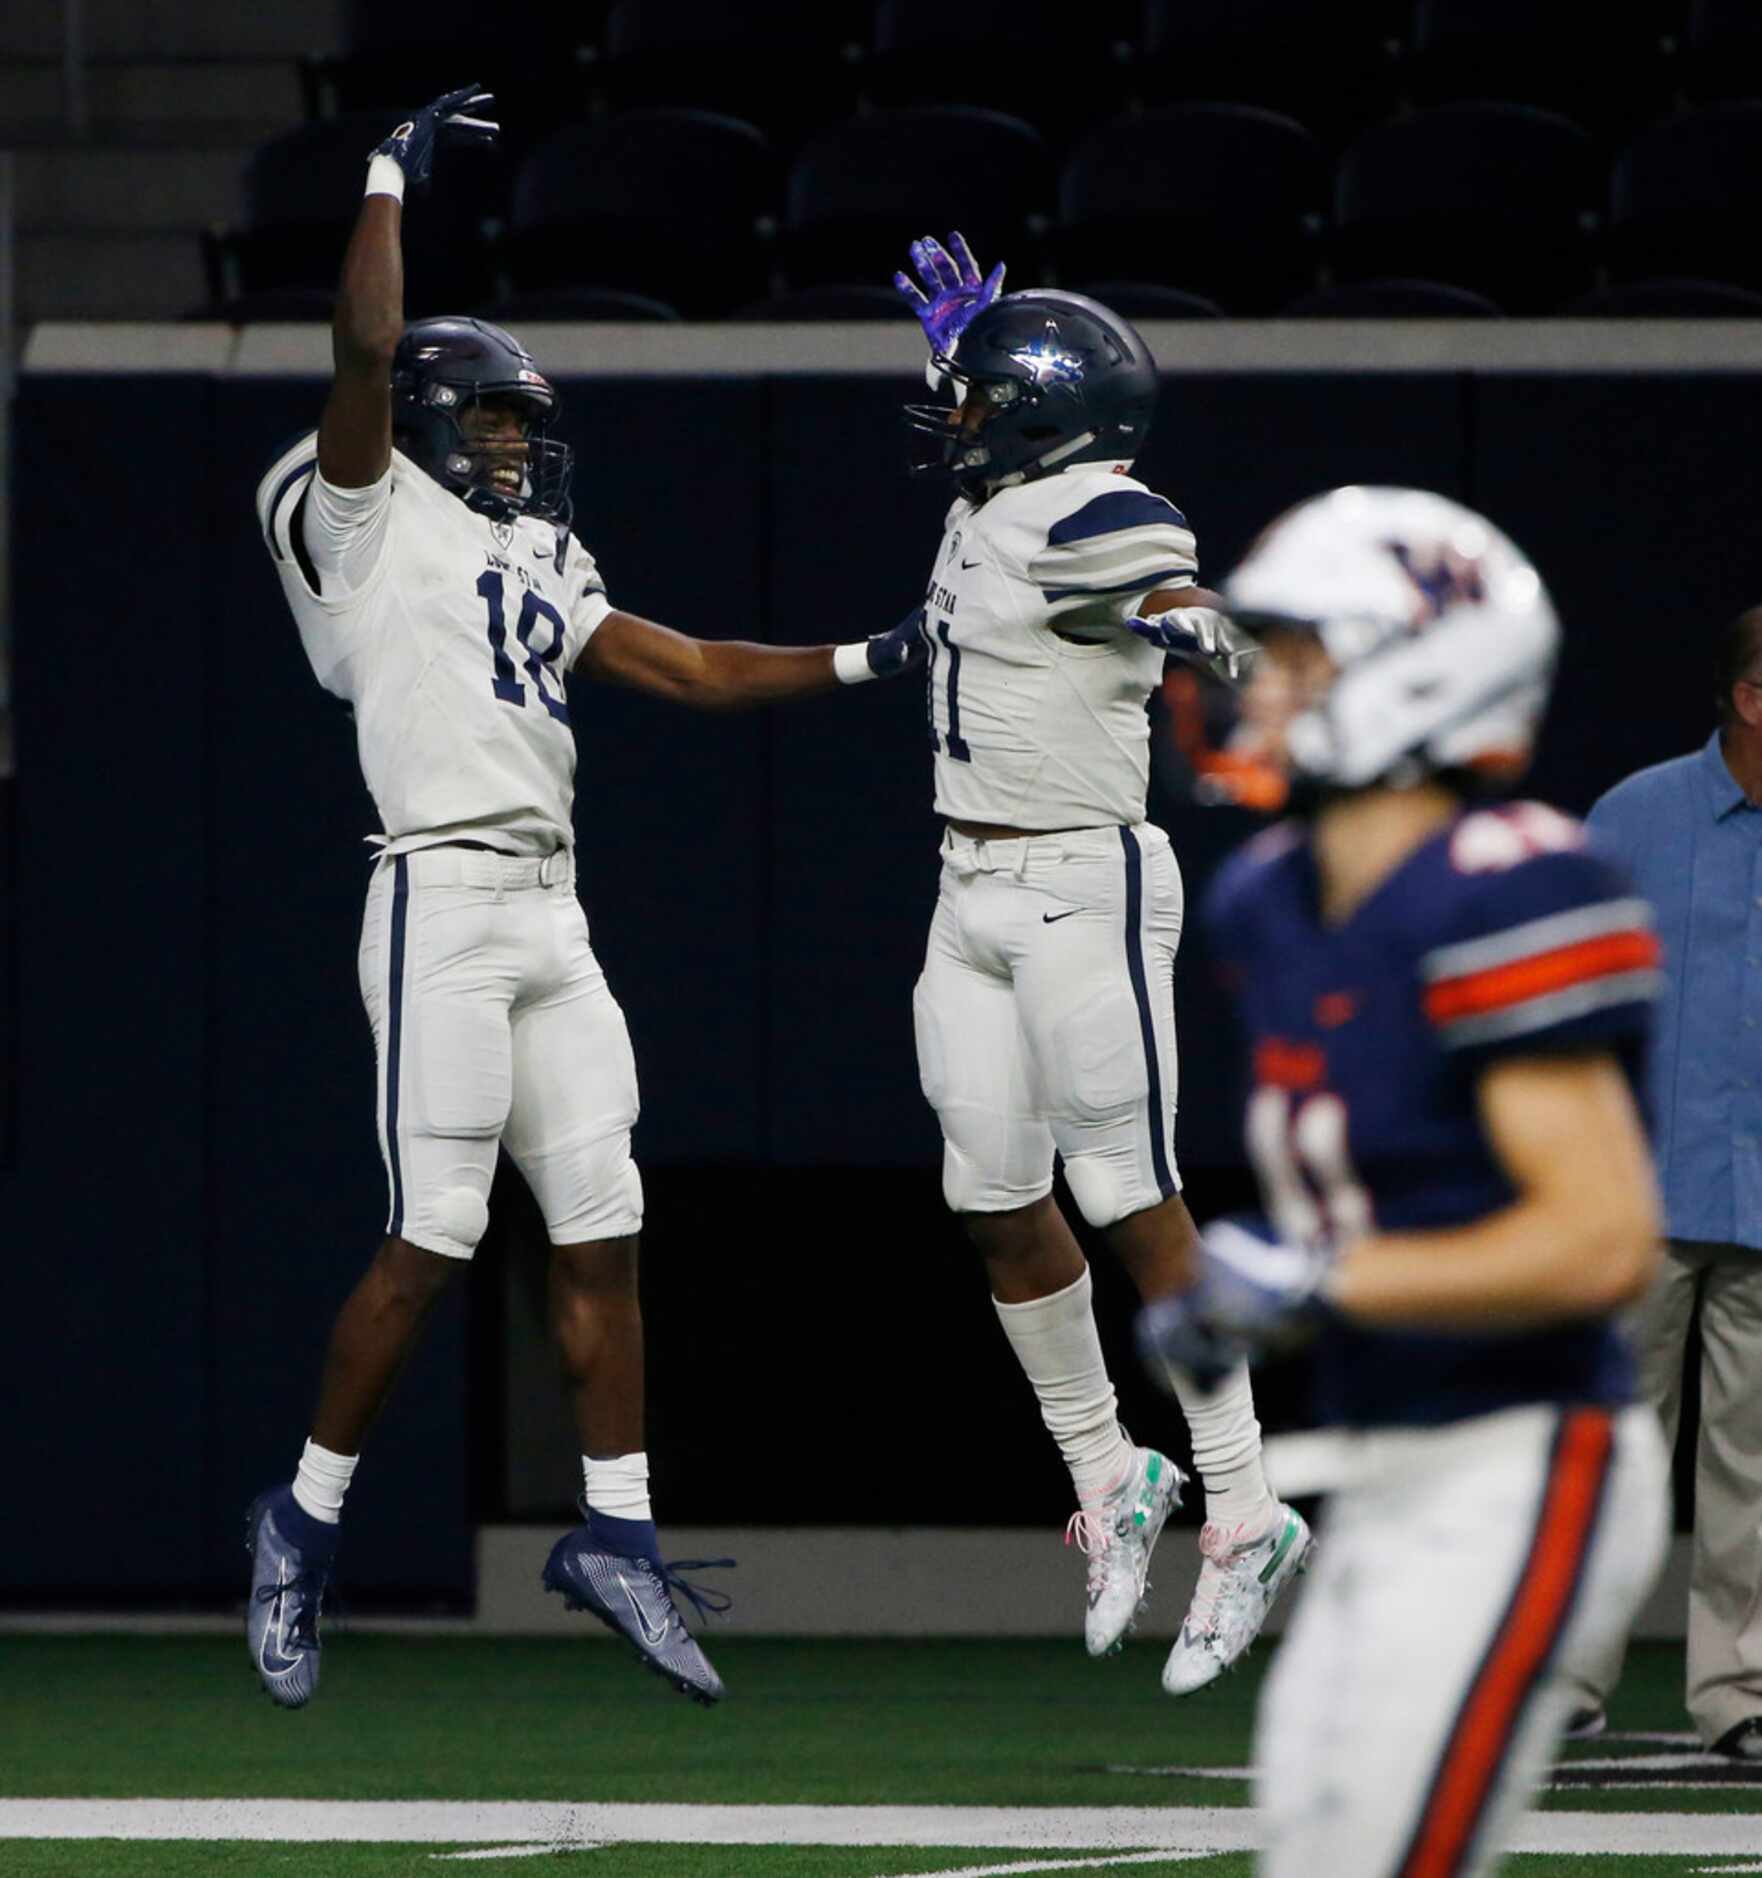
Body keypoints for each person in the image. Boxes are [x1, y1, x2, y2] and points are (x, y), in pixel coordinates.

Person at [245, 88, 925, 1712]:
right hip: (437, 902)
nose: (509, 446)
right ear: (420, 423)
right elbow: (357, 348)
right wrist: (383, 181)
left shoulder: (536, 554)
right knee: (427, 1240)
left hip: (556, 910)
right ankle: (303, 1518)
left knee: (607, 1231)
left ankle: (614, 1531)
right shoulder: (362, 507)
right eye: (484, 422)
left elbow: (684, 667)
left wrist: (873, 655)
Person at [1137, 485, 1672, 1875]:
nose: (1257, 689)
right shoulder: (1269, 894)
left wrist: (1316, 1277)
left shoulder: (1510, 884)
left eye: (1299, 657)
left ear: (1416, 667)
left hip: (1520, 1455)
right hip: (1381, 1468)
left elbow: (1600, 1239)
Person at [891, 236, 1305, 1692]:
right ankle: (1109, 1472)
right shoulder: (995, 502)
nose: (948, 416)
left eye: (971, 394)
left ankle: (1244, 1505)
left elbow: (1164, 585)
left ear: (1036, 414)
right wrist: (980, 340)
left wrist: (1204, 631)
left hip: (1081, 877)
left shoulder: (1092, 505)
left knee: (1130, 1190)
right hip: (968, 882)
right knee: (993, 1201)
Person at [1559, 604, 1762, 1758]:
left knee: (1754, 1464)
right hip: (1632, 1199)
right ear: (1748, 699)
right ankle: (1565, 1682)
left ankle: (1739, 1696)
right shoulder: (1635, 818)